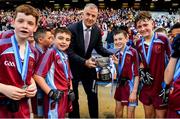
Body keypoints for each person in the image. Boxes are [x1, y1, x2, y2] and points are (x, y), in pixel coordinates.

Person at [67, 3, 113, 118]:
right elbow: (69, 52)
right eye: (88, 14)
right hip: (73, 68)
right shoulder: (71, 29)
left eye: (93, 16)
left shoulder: (97, 30)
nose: (90, 18)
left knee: (93, 95)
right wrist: (84, 62)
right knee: (74, 97)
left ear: (97, 17)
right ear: (83, 14)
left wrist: (111, 54)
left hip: (89, 69)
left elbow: (99, 48)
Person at [0, 4, 39, 118]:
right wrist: (3, 88)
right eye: (21, 21)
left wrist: (33, 84)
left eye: (30, 23)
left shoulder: (34, 52)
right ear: (13, 22)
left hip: (22, 109)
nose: (25, 26)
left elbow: (28, 75)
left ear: (35, 28)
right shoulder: (2, 46)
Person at [135, 11, 171, 118]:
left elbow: (171, 60)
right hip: (147, 86)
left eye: (145, 25)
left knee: (160, 117)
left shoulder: (163, 39)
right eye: (139, 26)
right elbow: (140, 61)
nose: (142, 29)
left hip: (161, 86)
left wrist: (169, 83)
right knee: (148, 115)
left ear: (153, 23)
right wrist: (142, 71)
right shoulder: (138, 43)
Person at [33, 27, 74, 118]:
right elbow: (37, 76)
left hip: (64, 94)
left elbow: (68, 76)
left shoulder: (65, 55)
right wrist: (50, 92)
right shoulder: (50, 53)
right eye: (60, 38)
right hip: (54, 96)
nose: (64, 42)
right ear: (53, 39)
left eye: (67, 40)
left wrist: (71, 89)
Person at [112, 30, 139, 118]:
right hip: (120, 85)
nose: (118, 42)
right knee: (118, 110)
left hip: (130, 86)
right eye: (115, 40)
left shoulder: (133, 52)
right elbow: (119, 72)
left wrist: (134, 92)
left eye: (120, 39)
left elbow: (137, 74)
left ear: (126, 39)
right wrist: (116, 64)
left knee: (130, 113)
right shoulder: (116, 54)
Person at [31, 27, 53, 118]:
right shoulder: (32, 53)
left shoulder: (48, 51)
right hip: (35, 89)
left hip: (44, 88)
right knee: (37, 112)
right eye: (49, 38)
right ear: (40, 40)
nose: (52, 40)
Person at [162, 34, 180, 118]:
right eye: (173, 36)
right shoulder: (177, 56)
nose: (173, 39)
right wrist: (174, 54)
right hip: (173, 108)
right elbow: (167, 79)